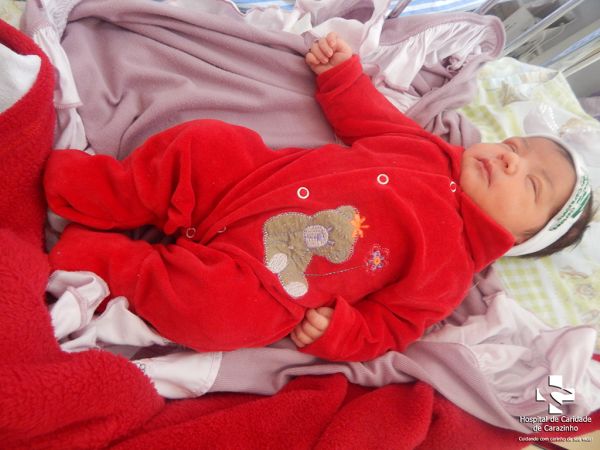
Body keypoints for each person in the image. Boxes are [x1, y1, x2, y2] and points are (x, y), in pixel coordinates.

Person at [44, 33, 593, 361]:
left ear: (515, 239)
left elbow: (392, 327)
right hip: (248, 182)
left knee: (217, 316)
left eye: (531, 184)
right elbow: (369, 117)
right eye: (516, 146)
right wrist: (343, 76)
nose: (511, 159)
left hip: (268, 278)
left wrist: (342, 333)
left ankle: (101, 261)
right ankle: (94, 192)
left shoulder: (449, 273)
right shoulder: (428, 150)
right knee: (205, 144)